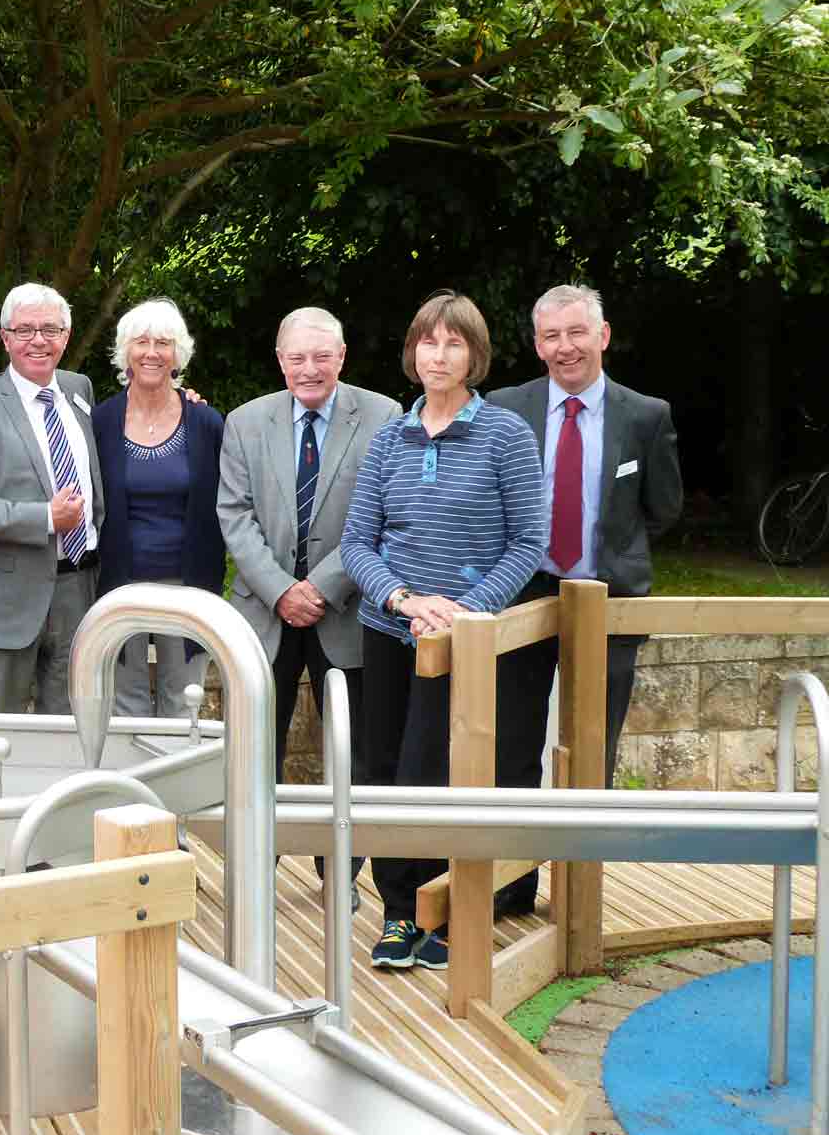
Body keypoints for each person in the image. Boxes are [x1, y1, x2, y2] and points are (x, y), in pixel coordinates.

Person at [340, 290, 547, 971]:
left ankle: (450, 910)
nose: (439, 354)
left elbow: (527, 542)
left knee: (447, 771)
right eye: (428, 341)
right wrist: (403, 598)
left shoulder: (507, 437)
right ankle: (400, 912)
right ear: (413, 352)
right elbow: (356, 544)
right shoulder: (388, 439)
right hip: (391, 629)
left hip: (466, 638)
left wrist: (462, 609)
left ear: (474, 354)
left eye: (453, 342)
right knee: (388, 770)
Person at [485, 284, 683, 916]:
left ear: (603, 335)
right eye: (551, 336)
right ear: (537, 344)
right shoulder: (505, 408)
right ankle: (511, 886)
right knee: (511, 746)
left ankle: (581, 898)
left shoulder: (646, 415)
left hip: (610, 597)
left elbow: (664, 508)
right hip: (524, 594)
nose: (564, 347)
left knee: (593, 748)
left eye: (576, 333)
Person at [217, 305, 401, 901]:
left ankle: (340, 874)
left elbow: (380, 519)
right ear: (280, 361)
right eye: (297, 358)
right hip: (263, 614)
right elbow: (235, 517)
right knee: (254, 749)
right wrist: (280, 590)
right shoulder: (245, 422)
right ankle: (254, 869)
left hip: (344, 611)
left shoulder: (383, 417)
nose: (310, 369)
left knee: (349, 750)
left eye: (322, 356)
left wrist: (320, 589)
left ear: (341, 358)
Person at [0, 283, 103, 714]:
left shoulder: (79, 390)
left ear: (66, 336)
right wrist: (46, 518)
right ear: (6, 338)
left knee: (74, 732)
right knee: (1, 736)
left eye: (50, 329)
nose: (39, 340)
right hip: (5, 599)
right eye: (26, 329)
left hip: (78, 590)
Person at [93, 298, 226, 716]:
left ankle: (176, 782)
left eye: (164, 343)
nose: (152, 352)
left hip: (188, 583)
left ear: (178, 354)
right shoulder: (100, 421)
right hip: (119, 581)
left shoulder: (205, 423)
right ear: (125, 352)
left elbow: (226, 503)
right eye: (142, 342)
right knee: (124, 702)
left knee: (182, 702)